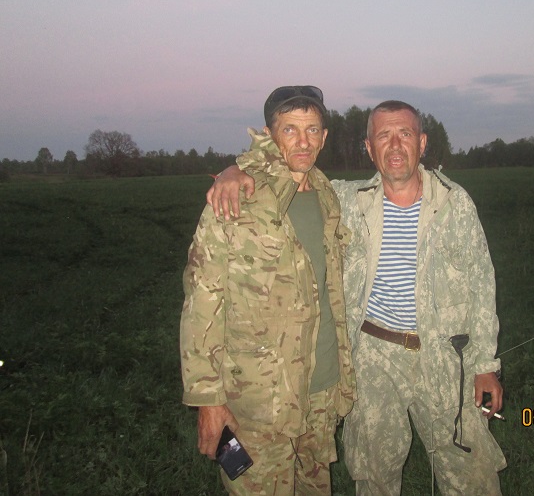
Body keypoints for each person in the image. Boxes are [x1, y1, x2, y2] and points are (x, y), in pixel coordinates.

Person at [209, 100, 506, 495]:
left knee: (469, 468)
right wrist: (235, 171)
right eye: (384, 135)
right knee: (374, 470)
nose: (395, 145)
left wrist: (485, 365)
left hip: (443, 355)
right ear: (369, 147)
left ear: (422, 143)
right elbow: (290, 170)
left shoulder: (455, 203)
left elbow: (482, 284)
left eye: (404, 134)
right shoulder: (346, 200)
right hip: (372, 357)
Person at [180, 85, 356, 496]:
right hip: (258, 402)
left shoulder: (329, 195)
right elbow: (202, 299)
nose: (303, 141)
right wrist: (207, 399)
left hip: (321, 390)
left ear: (324, 137)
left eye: (312, 130)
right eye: (290, 129)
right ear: (269, 134)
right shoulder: (237, 196)